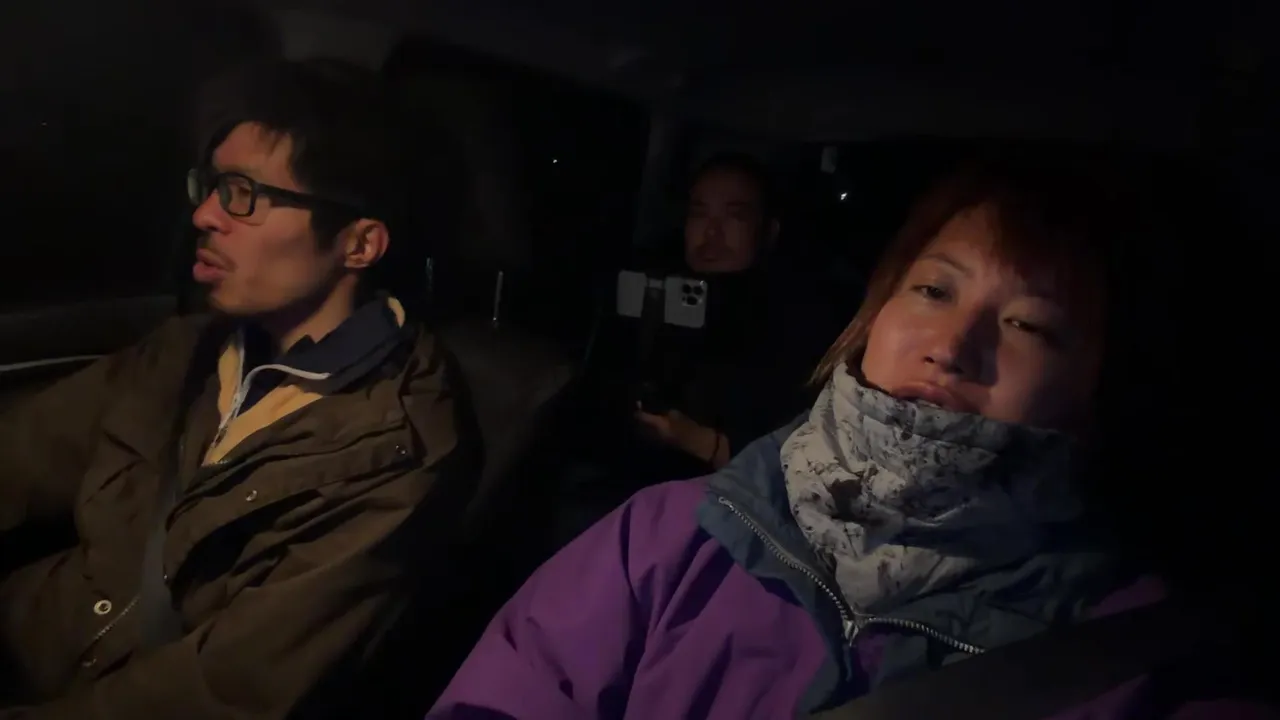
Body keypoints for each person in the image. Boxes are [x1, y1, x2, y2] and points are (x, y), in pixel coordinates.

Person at [427, 157, 1274, 718]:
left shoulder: (1135, 664)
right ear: (878, 311)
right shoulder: (662, 540)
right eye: (934, 290)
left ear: (1099, 386)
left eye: (1030, 325)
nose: (951, 344)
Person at [0, 58, 476, 718]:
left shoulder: (397, 451)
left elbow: (221, 692)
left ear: (359, 245)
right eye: (211, 186)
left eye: (242, 194)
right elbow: (20, 456)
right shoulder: (186, 350)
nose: (204, 214)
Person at [556, 155, 843, 546]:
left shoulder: (796, 319)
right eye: (698, 213)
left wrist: (699, 441)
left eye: (734, 215)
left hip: (727, 507)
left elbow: (794, 463)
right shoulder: (645, 290)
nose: (711, 232)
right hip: (619, 479)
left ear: (768, 231)